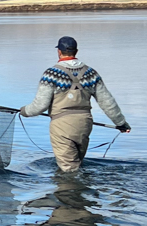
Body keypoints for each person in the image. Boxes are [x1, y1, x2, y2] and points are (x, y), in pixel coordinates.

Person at [19, 36, 129, 172]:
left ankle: (71, 190)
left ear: (59, 52)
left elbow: (39, 106)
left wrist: (24, 111)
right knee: (78, 165)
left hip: (61, 126)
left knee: (69, 171)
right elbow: (108, 102)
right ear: (76, 51)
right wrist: (121, 123)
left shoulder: (51, 74)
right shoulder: (91, 73)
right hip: (84, 124)